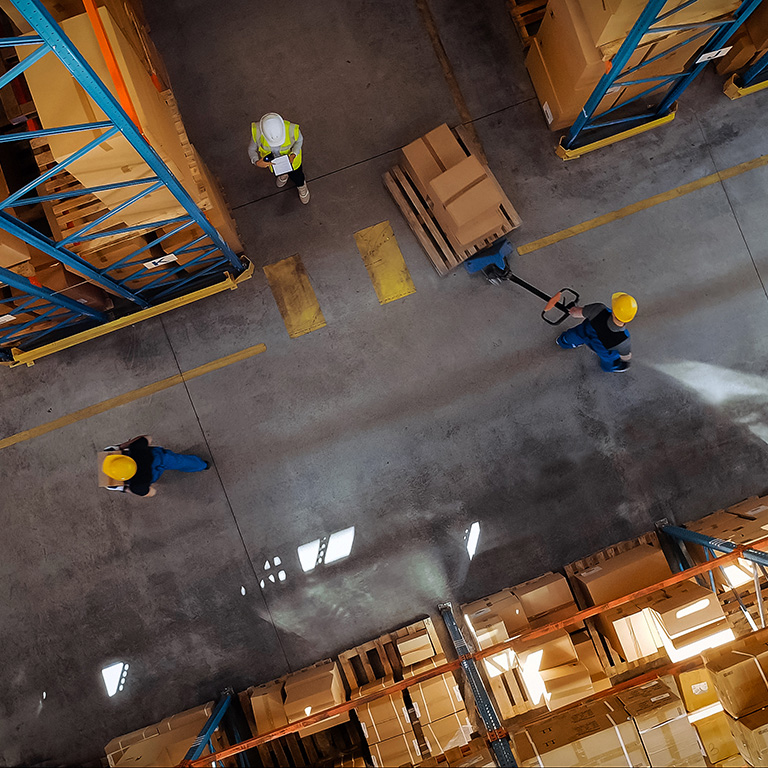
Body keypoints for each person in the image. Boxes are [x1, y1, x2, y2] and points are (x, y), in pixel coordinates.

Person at [101, 435, 209, 497]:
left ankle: (202, 465)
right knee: (180, 461)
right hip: (160, 457)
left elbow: (152, 492)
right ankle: (202, 465)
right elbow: (148, 438)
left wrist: (123, 488)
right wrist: (122, 446)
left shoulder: (137, 486)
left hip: (152, 475)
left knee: (174, 464)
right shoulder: (136, 449)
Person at [556, 292, 637, 373]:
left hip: (586, 332)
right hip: (602, 348)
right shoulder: (624, 339)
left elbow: (575, 312)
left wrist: (572, 310)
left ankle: (563, 341)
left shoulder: (598, 309)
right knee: (611, 358)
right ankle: (610, 367)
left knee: (575, 335)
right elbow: (625, 355)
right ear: (629, 319)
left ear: (613, 311)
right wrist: (626, 360)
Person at [248, 112, 310, 204]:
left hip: (293, 162)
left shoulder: (292, 129)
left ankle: (301, 185)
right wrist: (256, 162)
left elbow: (299, 141)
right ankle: (283, 174)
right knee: (279, 172)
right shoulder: (257, 132)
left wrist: (294, 154)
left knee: (297, 176)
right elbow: (251, 149)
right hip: (275, 164)